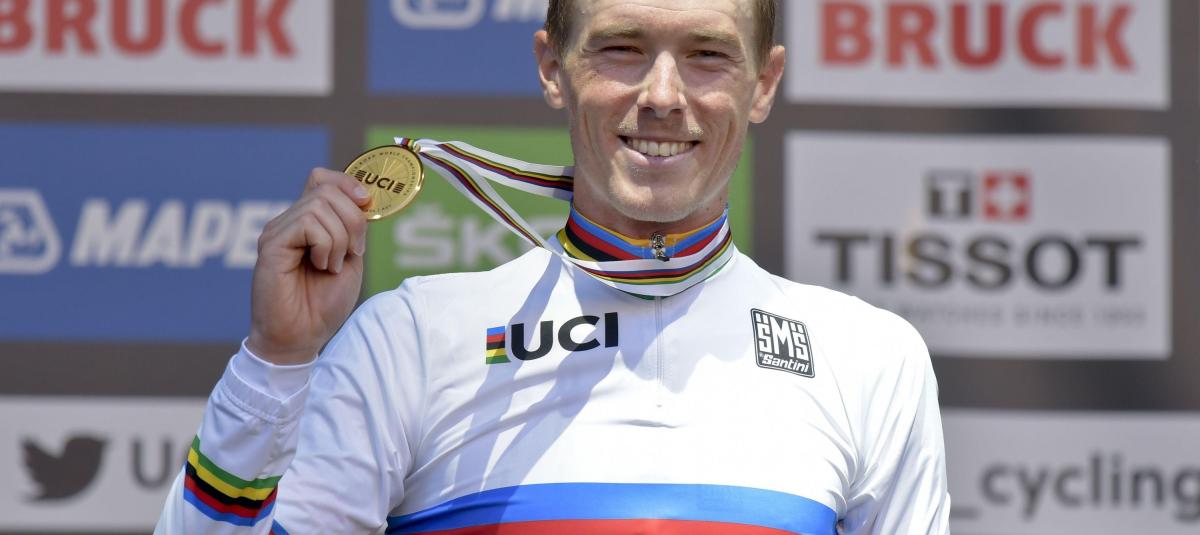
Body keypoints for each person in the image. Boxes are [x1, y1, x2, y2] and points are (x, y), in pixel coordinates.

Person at [155, 0, 951, 533]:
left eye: (707, 55)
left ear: (764, 83)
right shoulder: (415, 337)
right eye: (622, 49)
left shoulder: (868, 357)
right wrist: (276, 361)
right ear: (552, 67)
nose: (663, 94)